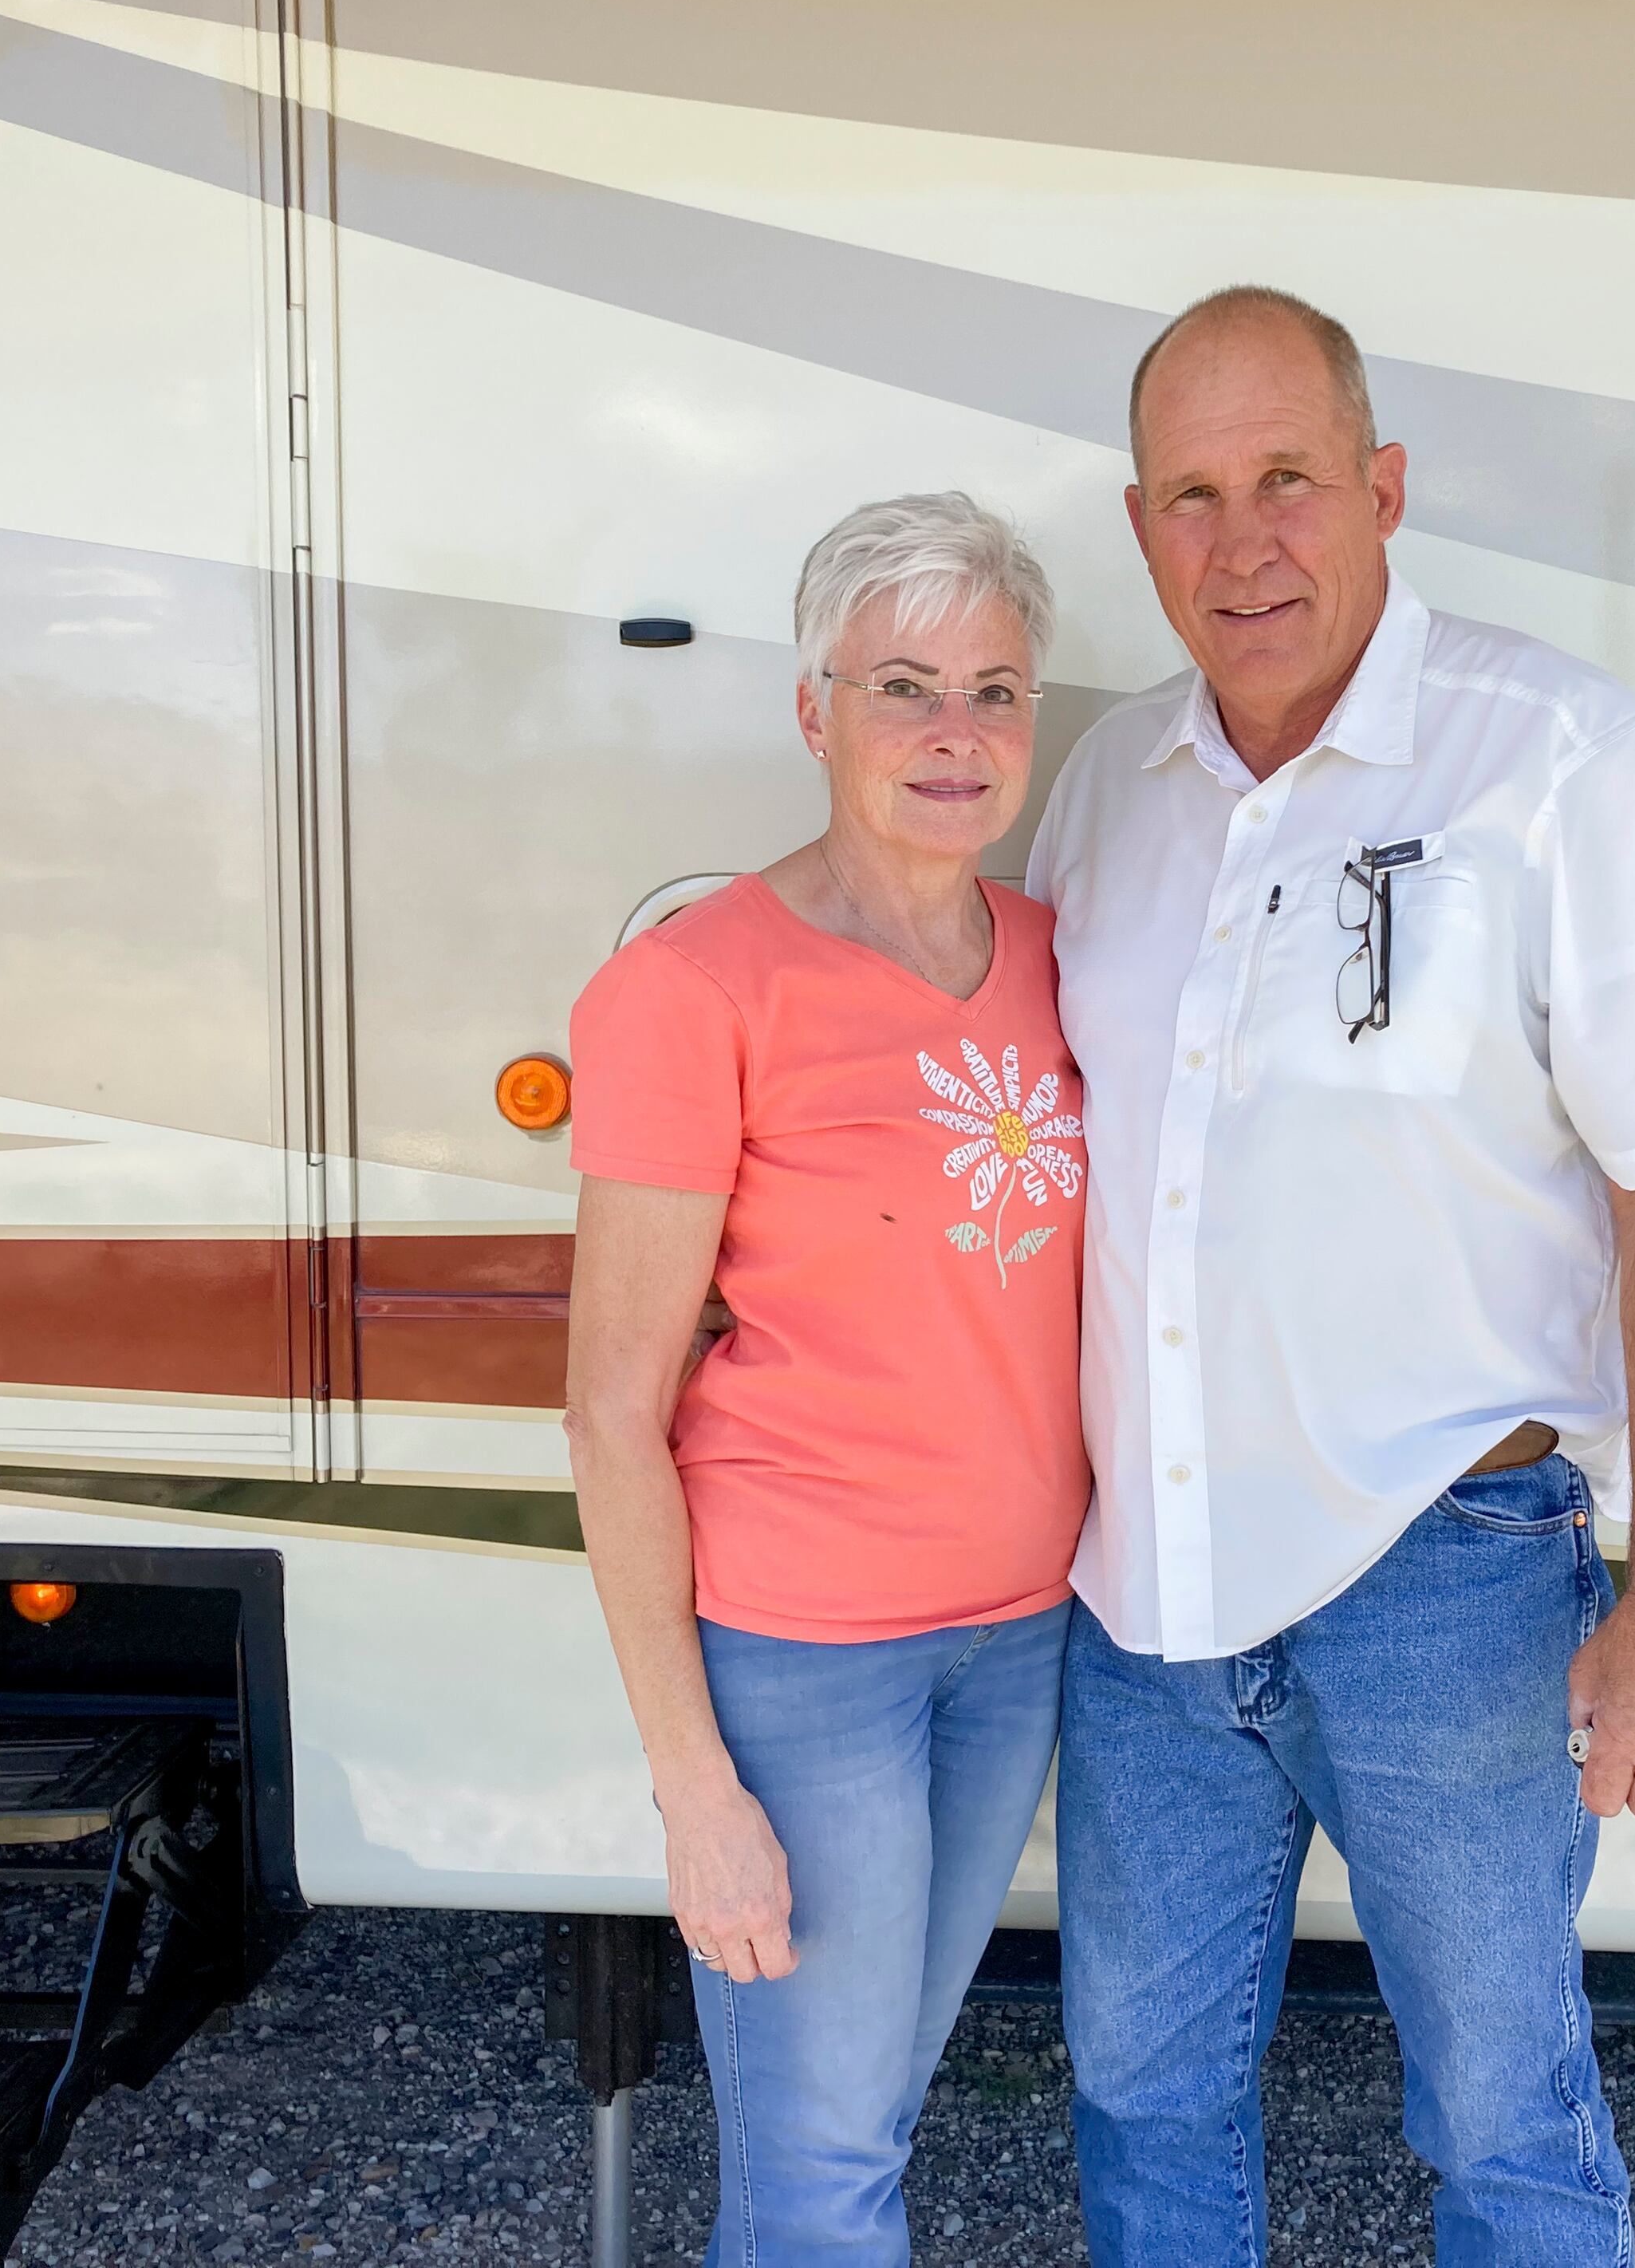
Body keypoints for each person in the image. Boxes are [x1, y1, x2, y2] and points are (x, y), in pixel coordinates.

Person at [1026, 287, 1635, 2266]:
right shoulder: (1107, 784)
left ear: (1384, 489)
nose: (1245, 540)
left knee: (1503, 2116)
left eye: (1290, 477)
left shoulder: (1552, 758)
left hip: (1450, 1576)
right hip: (1148, 1602)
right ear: (1142, 531)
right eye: (1194, 495)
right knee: (1140, 2099)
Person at [564, 492, 1087, 2265]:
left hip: (1019, 1638)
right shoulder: (695, 989)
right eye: (906, 688)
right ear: (815, 712)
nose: (959, 737)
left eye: (999, 692)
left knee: (864, 2120)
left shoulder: (1051, 956)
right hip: (810, 1664)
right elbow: (612, 1413)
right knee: (827, 2174)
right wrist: (695, 1793)